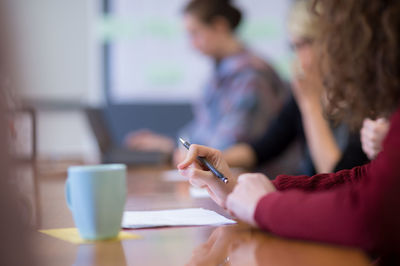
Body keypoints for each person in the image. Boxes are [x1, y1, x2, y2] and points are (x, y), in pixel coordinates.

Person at [178, 0, 400, 262]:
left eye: (306, 44)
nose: (299, 58)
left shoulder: (256, 75)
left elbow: (367, 215)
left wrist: (264, 206)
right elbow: (362, 179)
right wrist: (240, 190)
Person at [125, 0, 287, 162]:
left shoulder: (250, 75)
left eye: (195, 33)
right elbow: (205, 131)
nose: (191, 44)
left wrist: (179, 150)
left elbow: (227, 145)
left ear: (219, 26)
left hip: (255, 179)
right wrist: (165, 144)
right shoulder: (222, 71)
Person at [223, 0, 368, 175]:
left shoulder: (366, 97)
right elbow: (264, 148)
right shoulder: (312, 89)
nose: (298, 57)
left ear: (332, 41)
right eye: (294, 47)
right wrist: (214, 159)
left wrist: (311, 105)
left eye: (302, 45)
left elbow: (338, 176)